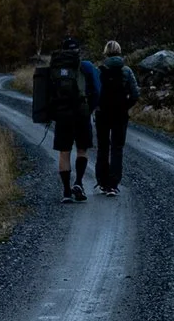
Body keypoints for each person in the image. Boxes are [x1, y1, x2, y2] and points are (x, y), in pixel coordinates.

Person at [35, 37, 100, 201]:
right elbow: (97, 91)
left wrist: (51, 113)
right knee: (82, 150)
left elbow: (46, 93)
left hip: (62, 115)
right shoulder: (86, 67)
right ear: (78, 51)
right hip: (81, 114)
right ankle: (78, 182)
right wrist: (89, 108)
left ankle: (66, 191)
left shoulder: (54, 68)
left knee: (64, 153)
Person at [92, 39, 141, 195]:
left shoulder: (99, 70)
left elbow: (94, 92)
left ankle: (102, 182)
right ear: (120, 52)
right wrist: (126, 106)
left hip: (102, 114)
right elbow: (135, 93)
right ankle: (113, 184)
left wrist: (96, 107)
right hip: (120, 114)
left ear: (105, 53)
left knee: (102, 148)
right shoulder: (126, 70)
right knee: (117, 148)